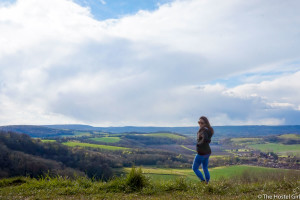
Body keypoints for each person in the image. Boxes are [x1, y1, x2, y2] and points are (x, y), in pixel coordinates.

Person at [192, 116, 214, 184]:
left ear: (205, 123)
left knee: (194, 168)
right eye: (199, 122)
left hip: (201, 153)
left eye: (202, 123)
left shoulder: (202, 130)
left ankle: (203, 181)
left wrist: (199, 144)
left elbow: (205, 139)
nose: (200, 124)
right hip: (207, 152)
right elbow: (207, 139)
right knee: (205, 168)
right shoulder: (208, 129)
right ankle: (207, 182)